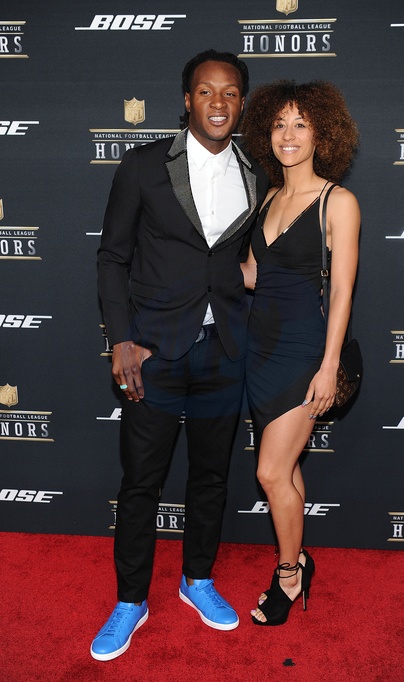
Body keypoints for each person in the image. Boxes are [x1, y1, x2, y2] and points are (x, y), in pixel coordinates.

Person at [91, 50, 268, 660]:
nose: (219, 102)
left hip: (224, 352)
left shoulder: (256, 172)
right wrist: (121, 339)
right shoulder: (143, 165)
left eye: (230, 92)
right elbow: (112, 257)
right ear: (187, 100)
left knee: (212, 478)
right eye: (206, 91)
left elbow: (249, 258)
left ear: (242, 102)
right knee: (142, 481)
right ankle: (130, 601)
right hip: (153, 354)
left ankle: (197, 579)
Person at [239, 80, 360, 625]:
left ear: (322, 134)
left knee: (269, 473)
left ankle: (289, 574)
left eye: (301, 124)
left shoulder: (339, 202)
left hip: (304, 353)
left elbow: (343, 292)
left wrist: (328, 367)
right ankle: (300, 558)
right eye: (279, 124)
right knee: (285, 471)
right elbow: (254, 275)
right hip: (258, 351)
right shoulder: (267, 197)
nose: (288, 135)